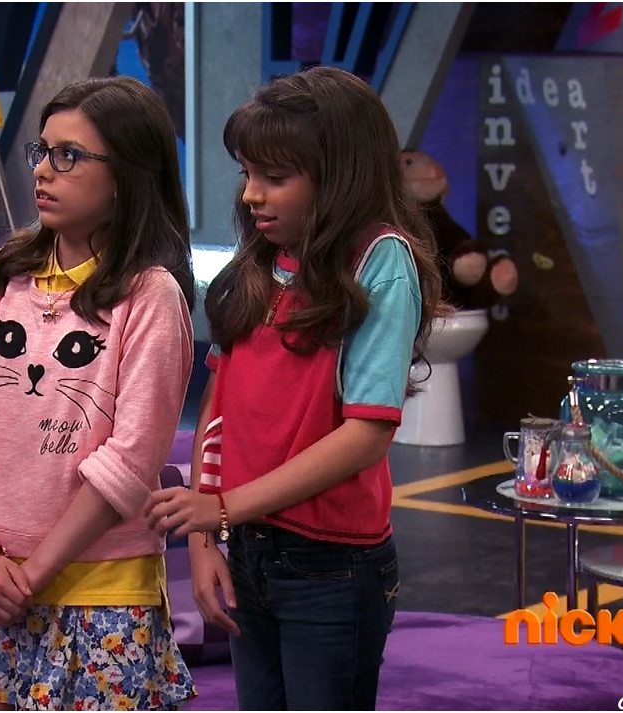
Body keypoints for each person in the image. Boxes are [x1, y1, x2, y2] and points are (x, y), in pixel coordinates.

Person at [144, 66, 444, 710]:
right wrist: (205, 539)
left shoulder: (380, 259)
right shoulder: (259, 262)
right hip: (249, 549)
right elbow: (219, 410)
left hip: (331, 565)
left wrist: (222, 510)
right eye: (247, 173)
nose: (252, 194)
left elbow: (366, 435)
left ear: (338, 175)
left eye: (275, 177)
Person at [0, 75, 197, 711]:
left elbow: (129, 463)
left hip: (103, 592)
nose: (44, 170)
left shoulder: (151, 295)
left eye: (69, 156)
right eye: (41, 151)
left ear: (125, 176)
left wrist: (32, 576)